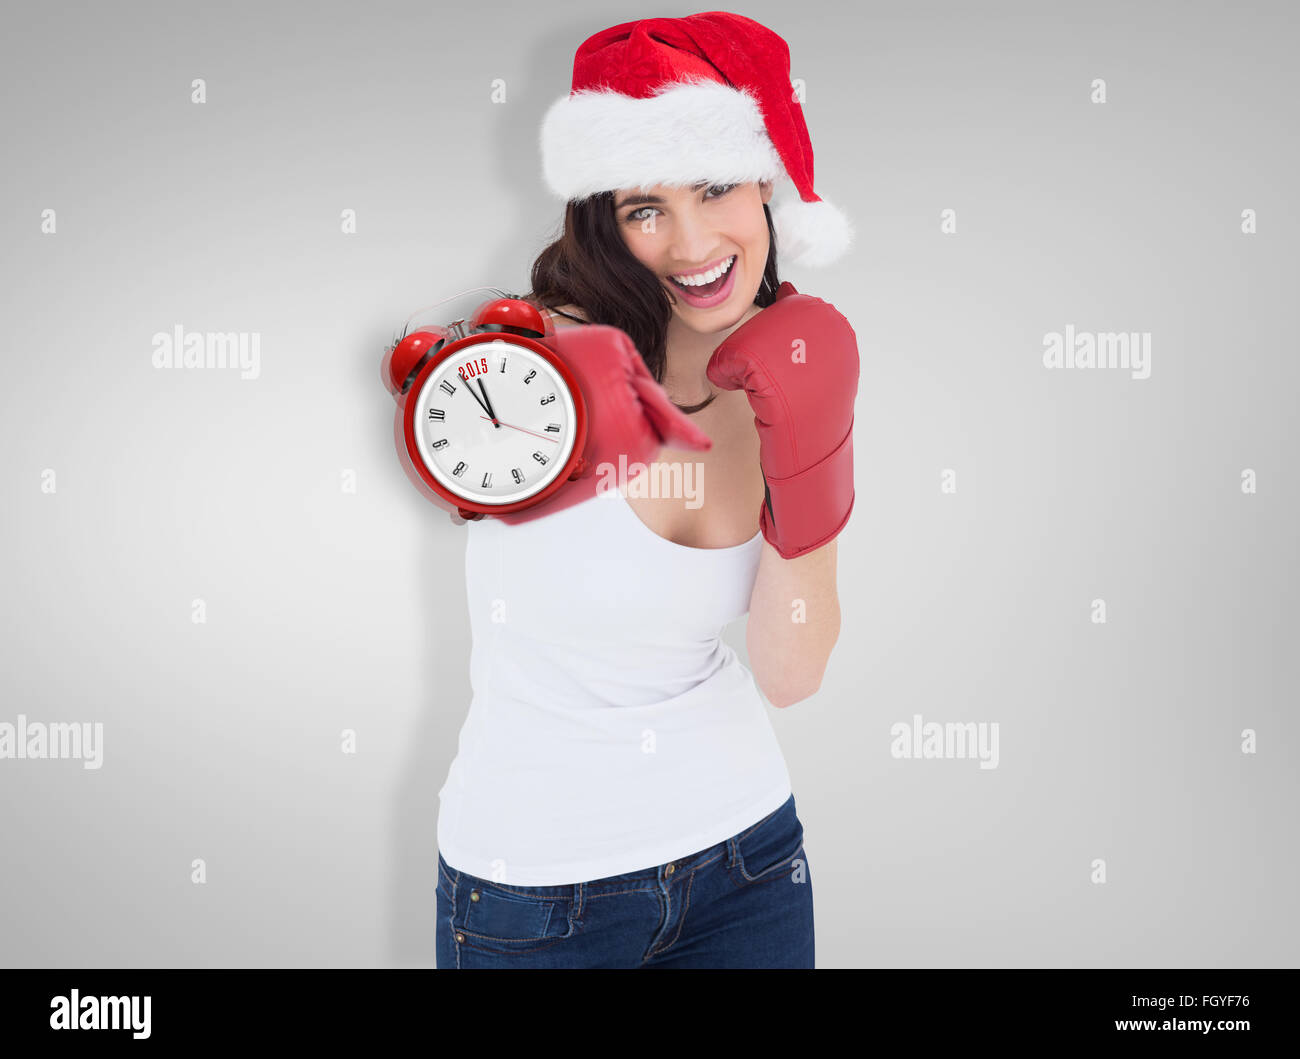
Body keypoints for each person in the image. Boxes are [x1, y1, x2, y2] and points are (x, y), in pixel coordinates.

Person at [435, 11, 859, 968]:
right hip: (535, 887)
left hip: (749, 858)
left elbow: (791, 675)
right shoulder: (536, 363)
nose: (691, 241)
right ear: (605, 219)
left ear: (766, 185)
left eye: (715, 188)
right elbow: (453, 441)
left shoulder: (795, 362)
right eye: (644, 208)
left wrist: (813, 449)